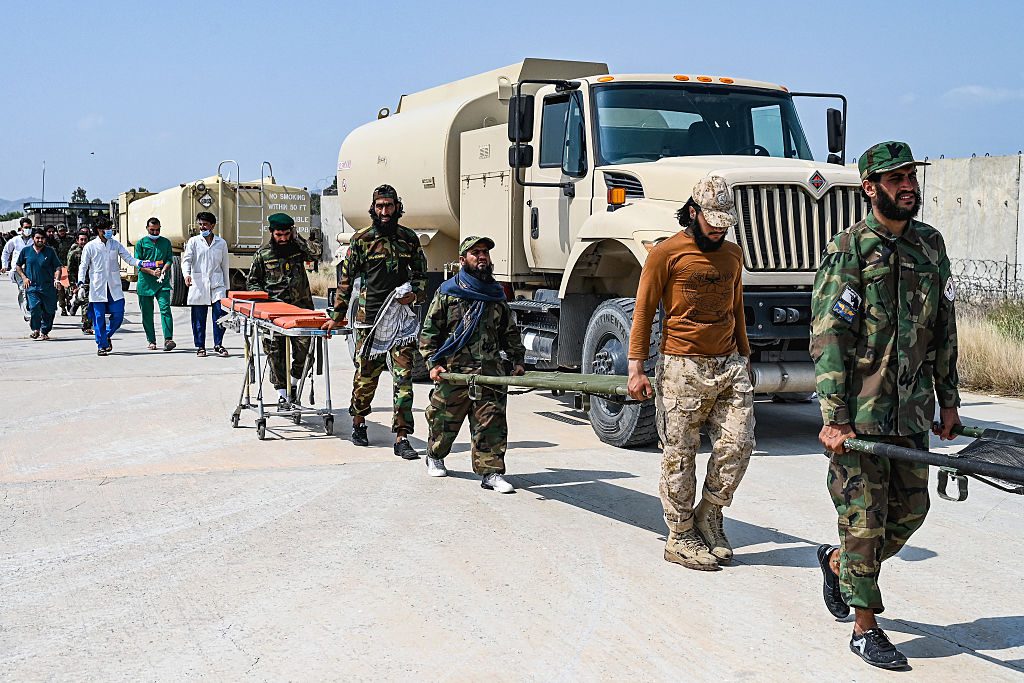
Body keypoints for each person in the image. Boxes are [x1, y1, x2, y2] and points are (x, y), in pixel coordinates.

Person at [811, 141, 961, 670]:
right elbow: (829, 336)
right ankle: (864, 628)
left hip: (911, 411)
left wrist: (948, 400)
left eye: (911, 177)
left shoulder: (930, 245)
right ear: (870, 187)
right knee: (864, 522)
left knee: (911, 513)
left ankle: (838, 564)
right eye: (896, 179)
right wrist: (835, 418)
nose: (908, 186)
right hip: (860, 416)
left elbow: (943, 328)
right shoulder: (848, 249)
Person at [627, 175, 755, 572]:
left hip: (729, 363)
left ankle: (710, 513)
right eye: (712, 221)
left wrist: (745, 356)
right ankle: (679, 535)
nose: (718, 229)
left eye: (724, 223)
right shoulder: (665, 253)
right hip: (682, 366)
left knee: (739, 444)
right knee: (679, 455)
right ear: (693, 211)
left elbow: (736, 307)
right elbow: (644, 310)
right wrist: (636, 368)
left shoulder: (732, 254)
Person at [322, 185, 427, 458]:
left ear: (397, 207)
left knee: (403, 380)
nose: (384, 211)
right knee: (366, 378)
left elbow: (421, 275)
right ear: (373, 208)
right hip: (369, 321)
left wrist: (415, 294)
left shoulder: (408, 239)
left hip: (400, 320)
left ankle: (402, 437)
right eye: (379, 206)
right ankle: (358, 423)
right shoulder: (362, 240)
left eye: (389, 206)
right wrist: (337, 316)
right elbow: (346, 282)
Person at [419, 237, 526, 493]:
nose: (482, 257)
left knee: (491, 423)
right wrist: (433, 363)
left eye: (485, 252)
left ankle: (491, 472)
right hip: (454, 372)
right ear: (462, 260)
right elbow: (430, 331)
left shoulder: (496, 294)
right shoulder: (448, 292)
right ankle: (435, 455)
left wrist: (517, 360)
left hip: (490, 372)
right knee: (444, 421)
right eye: (475, 252)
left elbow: (508, 331)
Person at [247, 213, 314, 405]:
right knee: (275, 354)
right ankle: (283, 394)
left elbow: (316, 253)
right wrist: (261, 298)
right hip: (274, 315)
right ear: (271, 232)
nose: (283, 239)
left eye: (286, 234)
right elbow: (252, 282)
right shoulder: (262, 254)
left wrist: (298, 238)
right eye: (279, 235)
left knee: (305, 351)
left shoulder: (298, 250)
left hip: (301, 311)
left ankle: (294, 384)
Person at [78, 217, 142, 356]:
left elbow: (129, 258)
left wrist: (141, 263)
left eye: (109, 228)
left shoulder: (115, 244)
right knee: (99, 317)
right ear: (98, 230)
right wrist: (81, 284)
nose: (108, 231)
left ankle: (106, 335)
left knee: (118, 315)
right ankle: (101, 345)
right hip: (98, 288)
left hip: (114, 287)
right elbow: (83, 266)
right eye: (105, 229)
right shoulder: (90, 246)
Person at [182, 211, 230, 357]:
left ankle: (218, 344)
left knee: (220, 314)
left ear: (213, 225)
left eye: (205, 224)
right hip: (199, 283)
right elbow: (186, 260)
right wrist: (187, 275)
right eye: (200, 224)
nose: (202, 227)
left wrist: (227, 287)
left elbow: (225, 266)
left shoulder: (221, 243)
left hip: (217, 284)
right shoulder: (193, 242)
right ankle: (200, 346)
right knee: (198, 317)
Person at [135, 217, 175, 351]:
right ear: (147, 228)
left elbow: (169, 259)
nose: (155, 232)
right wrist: (152, 272)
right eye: (152, 230)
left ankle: (168, 339)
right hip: (145, 283)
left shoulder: (166, 242)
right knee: (147, 314)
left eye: (157, 230)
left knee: (165, 309)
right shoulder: (140, 243)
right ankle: (151, 340)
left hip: (162, 282)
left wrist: (164, 269)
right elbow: (138, 264)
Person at [15, 228, 62, 340]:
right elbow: (18, 266)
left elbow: (58, 267)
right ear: (33, 238)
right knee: (34, 307)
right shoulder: (26, 251)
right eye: (37, 238)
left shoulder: (50, 251)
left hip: (48, 287)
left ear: (45, 239)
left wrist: (57, 279)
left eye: (42, 238)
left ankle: (44, 331)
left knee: (49, 311)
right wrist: (24, 278)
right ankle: (36, 329)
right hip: (32, 287)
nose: (40, 240)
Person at [3, 218, 37, 321]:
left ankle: (31, 310)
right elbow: (6, 252)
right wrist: (5, 265)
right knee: (23, 290)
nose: (28, 229)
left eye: (30, 227)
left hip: (31, 269)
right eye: (26, 227)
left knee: (31, 291)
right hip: (17, 269)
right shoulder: (15, 240)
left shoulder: (34, 240)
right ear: (21, 228)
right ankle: (28, 314)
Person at [66, 229, 93, 335]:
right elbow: (70, 270)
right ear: (77, 240)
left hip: (92, 281)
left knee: (88, 302)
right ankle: (86, 326)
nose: (83, 242)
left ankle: (76, 303)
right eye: (81, 239)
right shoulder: (74, 253)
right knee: (86, 302)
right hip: (80, 282)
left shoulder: (92, 251)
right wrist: (73, 285)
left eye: (85, 239)